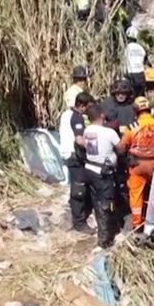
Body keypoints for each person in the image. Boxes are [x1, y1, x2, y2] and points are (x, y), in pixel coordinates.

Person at [118, 96, 154, 230]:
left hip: (137, 164)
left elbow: (121, 147)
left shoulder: (132, 127)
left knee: (136, 194)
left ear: (135, 111)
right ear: (150, 109)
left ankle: (137, 224)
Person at [82, 105, 122, 249]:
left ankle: (102, 230)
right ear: (102, 116)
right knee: (106, 204)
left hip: (90, 169)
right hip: (103, 173)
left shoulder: (87, 131)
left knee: (97, 202)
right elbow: (121, 147)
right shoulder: (109, 132)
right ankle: (105, 240)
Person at [60, 92, 95, 233]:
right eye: (88, 108)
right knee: (79, 189)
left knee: (77, 185)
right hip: (75, 156)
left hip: (66, 153)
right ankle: (79, 223)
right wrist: (93, 147)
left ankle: (77, 212)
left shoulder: (66, 114)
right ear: (81, 106)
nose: (88, 111)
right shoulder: (77, 118)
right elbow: (79, 140)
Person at [124, 26, 147, 96]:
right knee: (140, 96)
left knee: (130, 96)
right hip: (141, 75)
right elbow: (144, 60)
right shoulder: (141, 48)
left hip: (131, 75)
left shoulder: (126, 48)